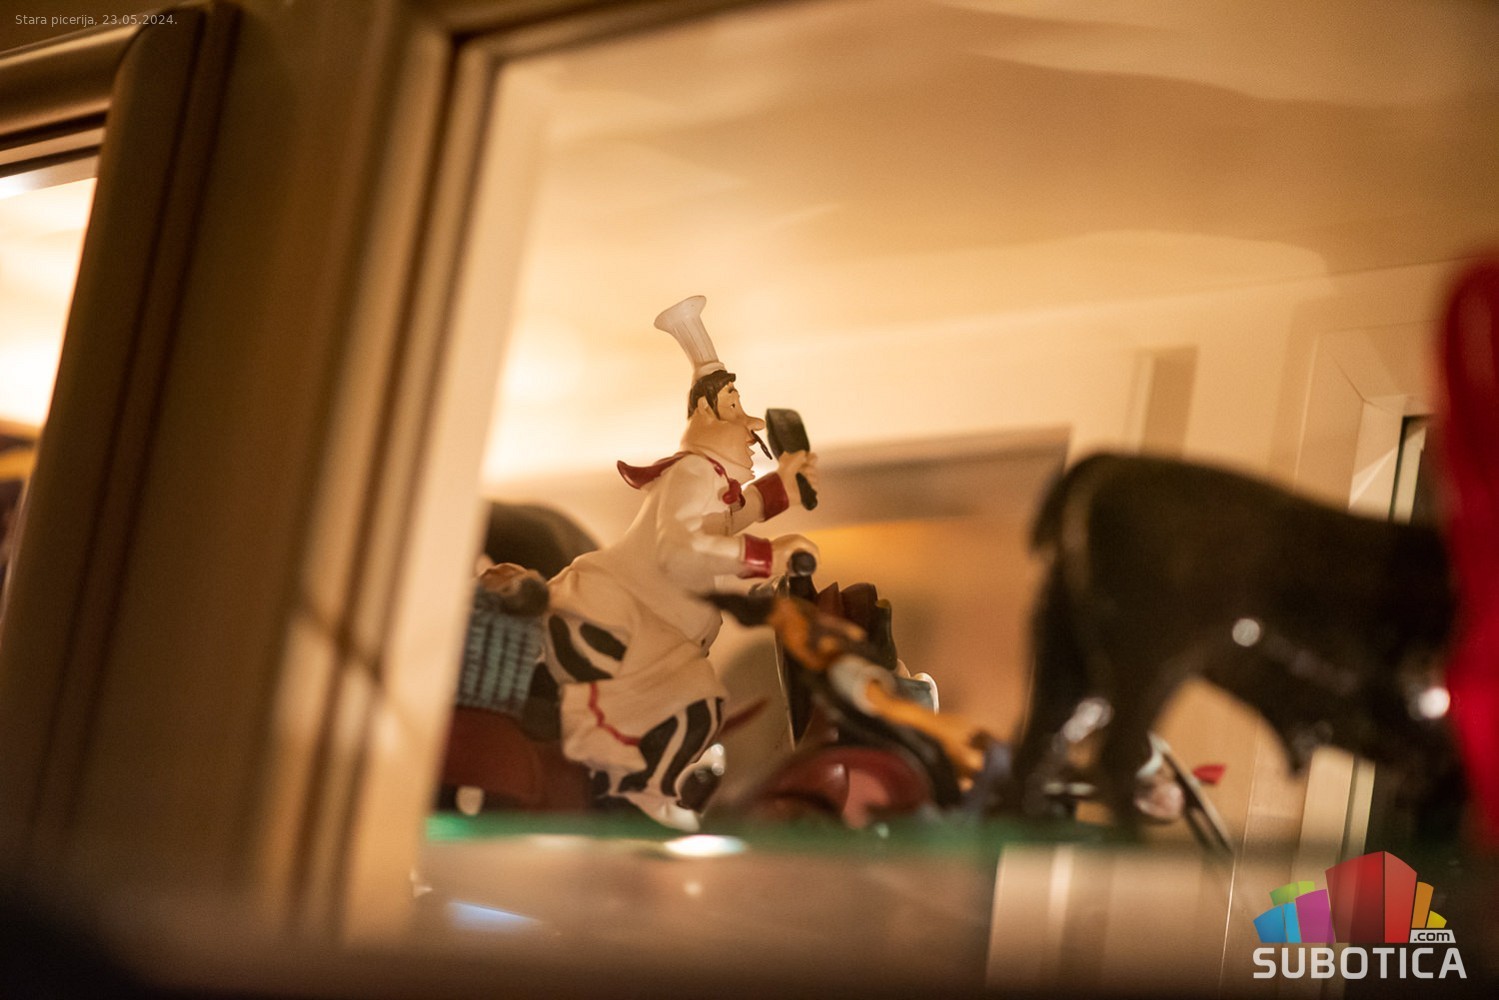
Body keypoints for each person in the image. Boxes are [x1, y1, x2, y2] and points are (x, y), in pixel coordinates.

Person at [542, 296, 818, 829]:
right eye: (735, 408)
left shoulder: (707, 479)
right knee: (692, 704)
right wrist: (769, 556)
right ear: (705, 413)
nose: (751, 426)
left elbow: (727, 519)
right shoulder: (692, 473)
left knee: (697, 704)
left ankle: (646, 795)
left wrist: (784, 485)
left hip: (658, 630)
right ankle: (636, 795)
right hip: (625, 616)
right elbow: (680, 550)